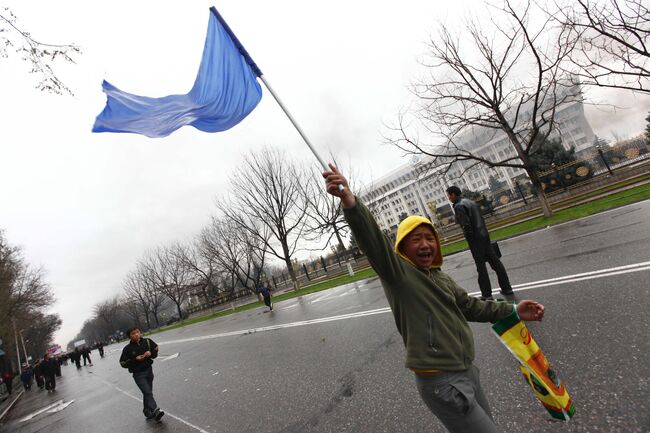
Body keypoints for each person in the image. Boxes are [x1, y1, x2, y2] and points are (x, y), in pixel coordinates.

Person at [323, 165, 545, 433]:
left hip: (467, 371)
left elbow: (470, 306)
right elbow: (373, 242)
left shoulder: (440, 277)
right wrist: (350, 202)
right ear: (402, 247)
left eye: (430, 238)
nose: (426, 244)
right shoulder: (398, 275)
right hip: (442, 382)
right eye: (416, 239)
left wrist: (513, 310)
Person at [446, 186, 514, 300]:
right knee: (496, 263)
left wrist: (470, 240)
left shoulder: (459, 206)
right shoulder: (470, 202)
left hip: (475, 240)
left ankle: (486, 295)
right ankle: (507, 288)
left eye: (448, 195)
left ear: (453, 194)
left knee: (481, 268)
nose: (448, 198)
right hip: (484, 236)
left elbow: (466, 225)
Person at [119, 327, 165, 422]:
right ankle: (155, 410)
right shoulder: (127, 349)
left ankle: (146, 410)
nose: (136, 334)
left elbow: (155, 349)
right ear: (129, 336)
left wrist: (151, 353)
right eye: (133, 333)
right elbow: (123, 363)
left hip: (149, 370)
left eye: (137, 332)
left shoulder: (147, 341)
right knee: (147, 392)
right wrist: (135, 359)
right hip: (138, 374)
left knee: (147, 393)